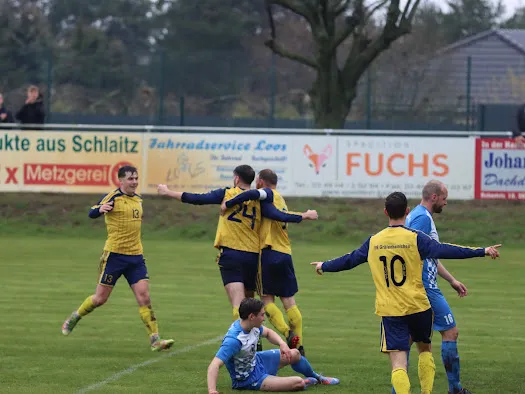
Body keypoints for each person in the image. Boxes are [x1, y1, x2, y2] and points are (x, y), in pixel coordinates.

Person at [310, 191, 501, 394]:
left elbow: (349, 260)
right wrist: (481, 250)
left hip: (391, 310)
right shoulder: (415, 238)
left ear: (385, 212)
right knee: (425, 351)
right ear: (407, 211)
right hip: (419, 305)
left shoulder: (374, 241)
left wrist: (325, 265)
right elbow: (446, 250)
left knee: (398, 363)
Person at [157, 165, 318, 325]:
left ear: (236, 178)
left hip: (232, 253)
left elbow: (198, 198)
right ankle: (273, 338)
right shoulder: (260, 200)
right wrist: (304, 215)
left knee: (239, 305)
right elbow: (278, 214)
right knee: (252, 303)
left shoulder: (227, 194)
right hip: (254, 256)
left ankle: (247, 342)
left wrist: (168, 192)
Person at [61, 166, 174, 352]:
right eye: (130, 179)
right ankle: (75, 317)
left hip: (136, 257)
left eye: (136, 178)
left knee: (144, 296)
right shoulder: (113, 197)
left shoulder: (138, 200)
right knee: (99, 299)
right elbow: (92, 211)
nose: (135, 182)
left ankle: (155, 339)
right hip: (114, 257)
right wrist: (100, 209)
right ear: (121, 181)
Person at [220, 169, 307, 356]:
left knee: (266, 300)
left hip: (268, 254)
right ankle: (298, 347)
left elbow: (251, 194)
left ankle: (286, 332)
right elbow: (279, 215)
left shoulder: (266, 194)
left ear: (260, 181)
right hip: (286, 253)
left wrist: (228, 202)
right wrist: (303, 215)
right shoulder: (281, 199)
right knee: (290, 302)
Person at [398, 180, 470, 394]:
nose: (446, 203)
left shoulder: (419, 216)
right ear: (434, 197)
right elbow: (409, 251)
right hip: (425, 288)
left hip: (422, 286)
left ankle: (398, 388)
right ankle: (455, 389)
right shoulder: (421, 218)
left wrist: (451, 280)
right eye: (445, 198)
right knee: (450, 332)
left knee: (409, 339)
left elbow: (428, 254)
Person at [206, 297, 339, 393]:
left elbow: (269, 333)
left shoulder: (252, 325)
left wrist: (282, 343)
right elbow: (214, 365)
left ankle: (318, 378)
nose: (264, 318)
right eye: (262, 315)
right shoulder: (234, 340)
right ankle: (305, 382)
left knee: (295, 354)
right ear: (252, 316)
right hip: (249, 379)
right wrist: (212, 390)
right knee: (297, 382)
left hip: (257, 361)